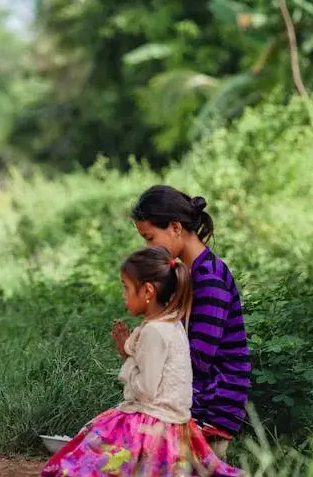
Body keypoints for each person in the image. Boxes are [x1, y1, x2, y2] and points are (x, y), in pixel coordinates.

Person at [42, 246, 243, 476]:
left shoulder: (154, 332)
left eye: (126, 288)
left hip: (153, 424)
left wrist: (127, 362)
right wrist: (129, 354)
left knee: (83, 459)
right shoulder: (172, 324)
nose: (124, 295)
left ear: (147, 291)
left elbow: (146, 389)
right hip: (177, 424)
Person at [130, 185, 252, 459]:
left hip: (211, 405)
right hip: (192, 396)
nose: (148, 248)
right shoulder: (187, 274)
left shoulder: (209, 279)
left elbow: (196, 359)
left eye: (150, 238)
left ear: (175, 227)